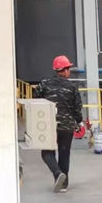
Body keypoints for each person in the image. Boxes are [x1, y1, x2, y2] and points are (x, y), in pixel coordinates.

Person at [37, 55, 83, 193]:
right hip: (67, 126)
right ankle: (63, 185)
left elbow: (37, 101)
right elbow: (77, 108)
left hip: (49, 125)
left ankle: (57, 174)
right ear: (66, 70)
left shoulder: (44, 84)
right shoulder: (72, 87)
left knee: (46, 152)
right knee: (64, 153)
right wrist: (79, 122)